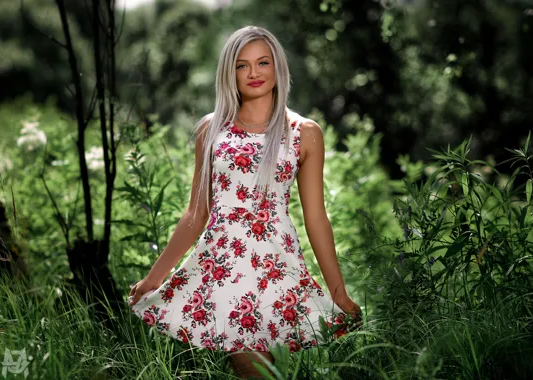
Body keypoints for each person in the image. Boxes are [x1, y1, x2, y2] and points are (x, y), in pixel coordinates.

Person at [127, 25, 362, 379]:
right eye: (242, 65)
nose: (254, 73)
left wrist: (338, 291)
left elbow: (316, 217)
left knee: (265, 369)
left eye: (263, 62)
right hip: (222, 263)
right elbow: (196, 212)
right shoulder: (212, 130)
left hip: (276, 263)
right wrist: (154, 278)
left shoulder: (303, 132)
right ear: (229, 73)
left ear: (277, 67)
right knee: (250, 366)